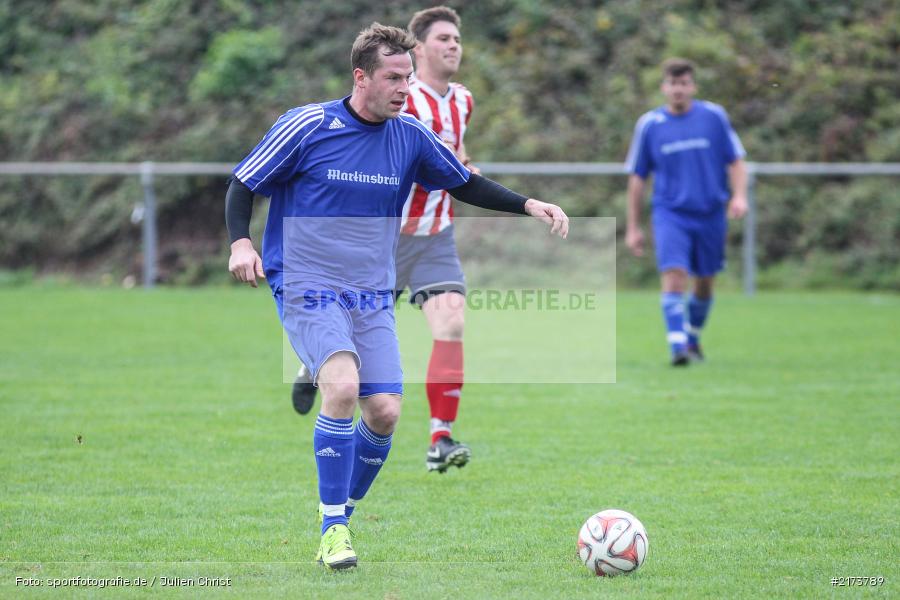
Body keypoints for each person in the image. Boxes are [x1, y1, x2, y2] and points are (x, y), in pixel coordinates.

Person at [226, 23, 568, 570]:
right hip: (307, 281)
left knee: (384, 412)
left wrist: (530, 205)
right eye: (392, 77)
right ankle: (332, 527)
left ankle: (342, 513)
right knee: (343, 385)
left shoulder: (409, 136)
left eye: (408, 77)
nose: (404, 88)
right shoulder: (308, 125)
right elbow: (244, 182)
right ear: (360, 77)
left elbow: (462, 182)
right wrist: (242, 242)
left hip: (370, 291)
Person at [624, 58, 748, 366]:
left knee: (704, 281)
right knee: (675, 275)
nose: (678, 89)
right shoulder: (650, 125)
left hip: (710, 212)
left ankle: (692, 338)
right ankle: (677, 346)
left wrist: (740, 196)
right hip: (670, 213)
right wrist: (633, 226)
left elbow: (735, 160)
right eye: (672, 84)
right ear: (664, 87)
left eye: (684, 84)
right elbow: (638, 178)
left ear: (692, 86)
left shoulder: (713, 117)